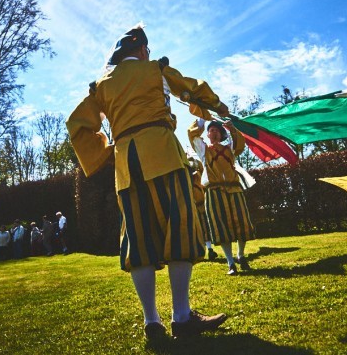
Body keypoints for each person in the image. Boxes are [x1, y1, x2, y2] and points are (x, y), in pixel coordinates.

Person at [67, 25, 228, 340]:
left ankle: (150, 322)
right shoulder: (155, 69)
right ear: (142, 50)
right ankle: (181, 316)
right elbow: (191, 89)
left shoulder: (100, 85)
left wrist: (106, 152)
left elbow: (77, 124)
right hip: (164, 155)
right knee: (180, 227)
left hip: (127, 168)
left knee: (138, 241)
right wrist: (217, 106)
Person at [188, 119, 256, 275]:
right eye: (211, 130)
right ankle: (230, 263)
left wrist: (232, 129)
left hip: (234, 189)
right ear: (207, 134)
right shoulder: (204, 150)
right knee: (221, 226)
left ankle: (241, 256)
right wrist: (201, 119)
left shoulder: (229, 148)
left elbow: (240, 143)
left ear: (221, 134)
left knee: (242, 222)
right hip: (214, 191)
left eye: (217, 130)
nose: (214, 132)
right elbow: (192, 136)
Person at [187, 155, 218, 261]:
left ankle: (209, 250)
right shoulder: (187, 178)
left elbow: (202, 170)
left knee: (205, 228)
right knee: (197, 230)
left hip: (202, 206)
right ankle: (202, 251)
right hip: (193, 207)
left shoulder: (199, 175)